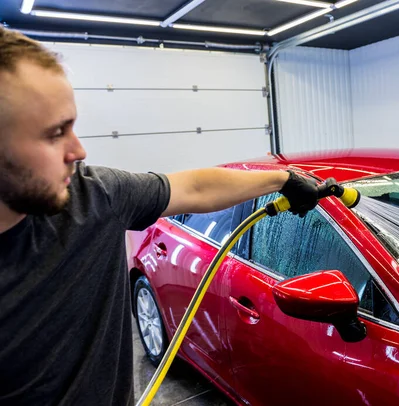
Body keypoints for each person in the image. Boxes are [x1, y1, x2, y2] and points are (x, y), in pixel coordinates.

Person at [0, 27, 319, 406]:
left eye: (73, 126)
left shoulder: (93, 196)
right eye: (55, 134)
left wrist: (283, 180)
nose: (79, 149)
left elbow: (194, 188)